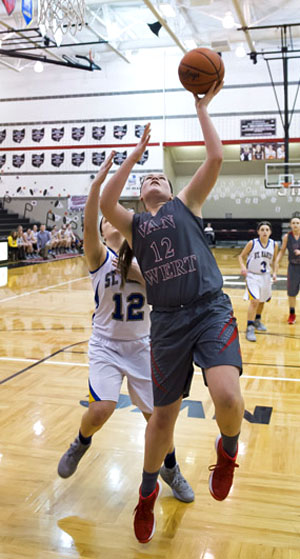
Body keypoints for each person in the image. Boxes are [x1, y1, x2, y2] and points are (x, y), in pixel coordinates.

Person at [100, 82, 244, 544]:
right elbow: (106, 203)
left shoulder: (187, 204)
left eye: (158, 176)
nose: (153, 180)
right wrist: (135, 154)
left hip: (208, 309)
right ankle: (145, 495)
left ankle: (227, 452)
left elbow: (216, 157)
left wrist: (201, 109)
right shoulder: (136, 226)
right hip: (166, 325)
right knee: (162, 420)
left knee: (227, 397)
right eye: (147, 180)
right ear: (141, 197)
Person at [57, 154, 194, 507]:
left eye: (112, 217)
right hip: (105, 345)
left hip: (142, 346)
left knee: (157, 419)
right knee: (101, 409)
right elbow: (89, 221)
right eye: (106, 220)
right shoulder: (97, 258)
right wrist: (96, 187)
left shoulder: (148, 257)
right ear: (104, 230)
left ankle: (171, 468)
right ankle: (81, 442)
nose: (109, 222)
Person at [238, 221, 278, 342]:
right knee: (254, 301)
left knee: (262, 300)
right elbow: (241, 256)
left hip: (266, 276)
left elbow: (275, 260)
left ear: (270, 232)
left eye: (267, 230)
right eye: (262, 229)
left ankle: (257, 320)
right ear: (258, 232)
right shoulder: (252, 243)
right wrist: (243, 267)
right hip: (252, 276)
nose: (265, 232)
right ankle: (249, 327)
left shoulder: (274, 244)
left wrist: (275, 272)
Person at [274, 215, 300, 324]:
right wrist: (277, 261)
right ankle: (292, 314)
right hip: (293, 267)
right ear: (290, 225)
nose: (295, 225)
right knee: (291, 293)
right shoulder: (287, 237)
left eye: (297, 223)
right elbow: (282, 250)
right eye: (293, 223)